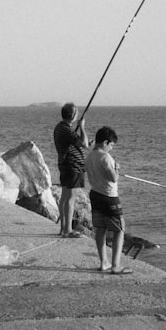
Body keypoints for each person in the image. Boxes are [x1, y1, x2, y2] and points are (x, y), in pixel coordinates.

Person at [85, 125, 132, 274]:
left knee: (101, 229)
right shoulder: (105, 157)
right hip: (109, 197)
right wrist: (117, 168)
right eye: (111, 145)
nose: (111, 148)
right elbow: (113, 179)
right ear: (105, 142)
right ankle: (115, 266)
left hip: (95, 195)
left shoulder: (89, 156)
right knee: (119, 230)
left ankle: (103, 262)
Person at [53, 102, 89, 238]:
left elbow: (74, 144)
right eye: (77, 113)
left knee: (64, 197)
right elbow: (84, 145)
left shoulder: (60, 128)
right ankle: (67, 230)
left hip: (65, 165)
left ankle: (63, 228)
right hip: (72, 166)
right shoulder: (66, 130)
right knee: (70, 198)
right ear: (73, 115)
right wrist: (82, 128)